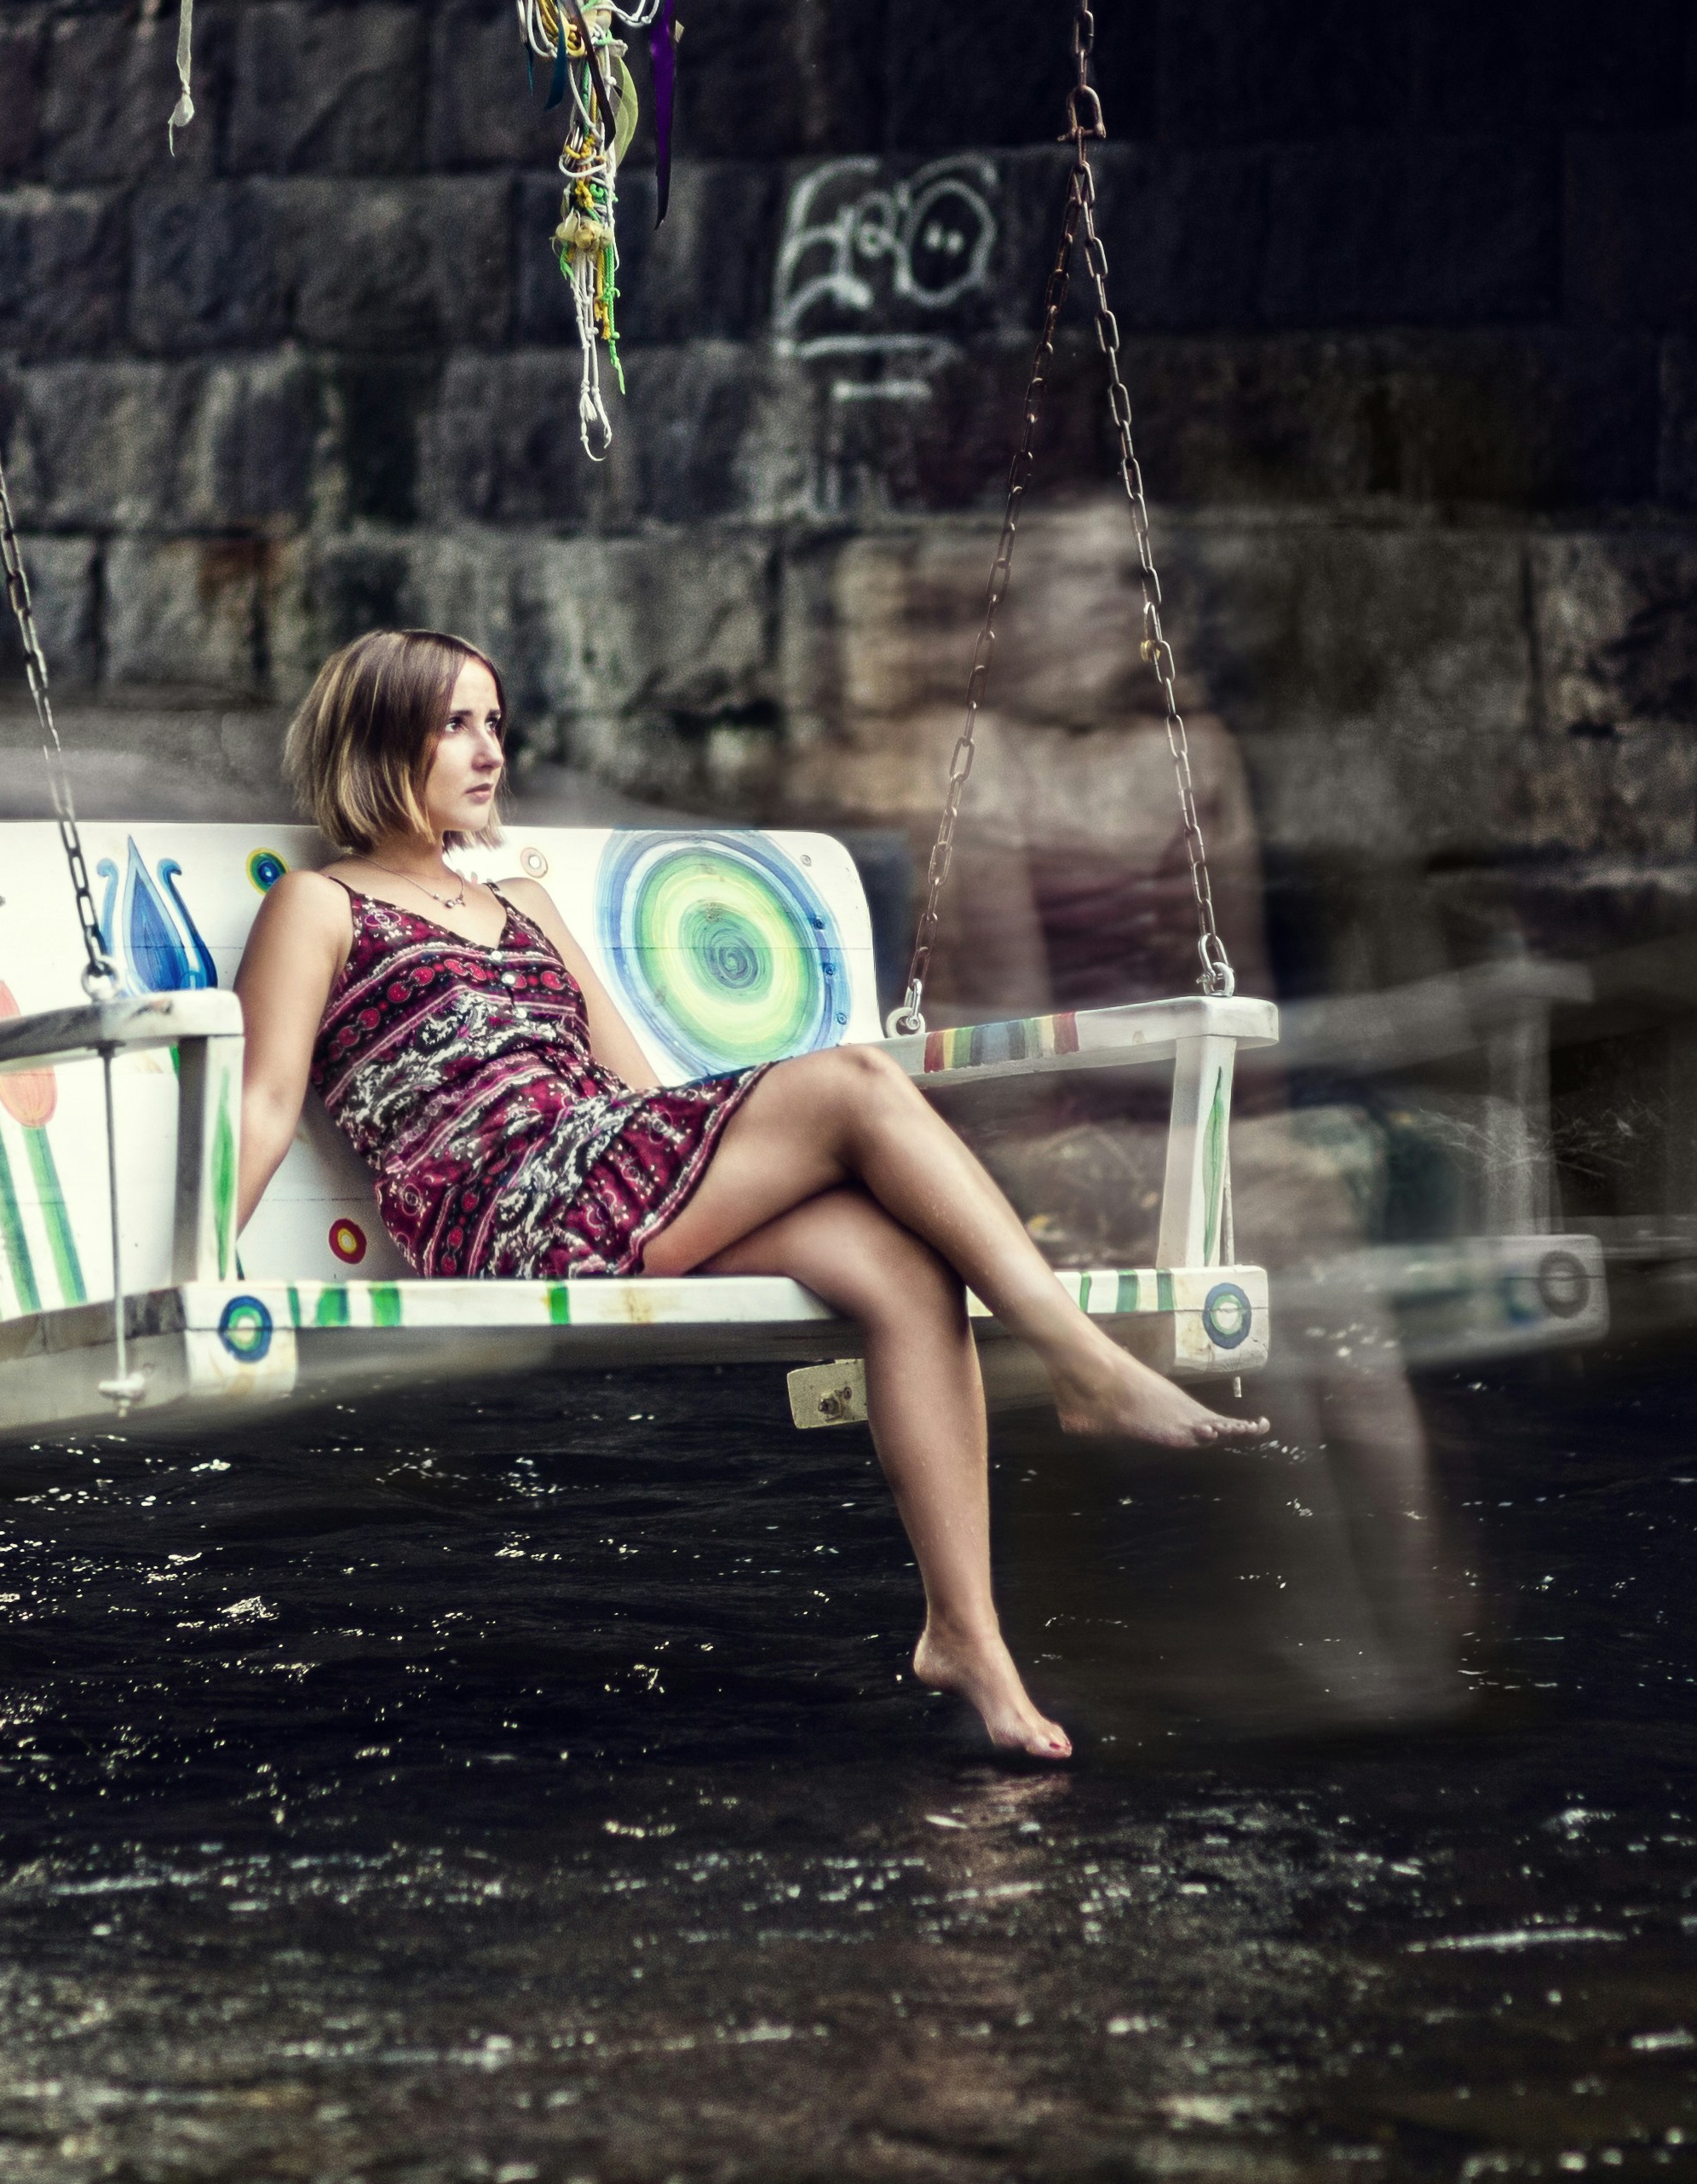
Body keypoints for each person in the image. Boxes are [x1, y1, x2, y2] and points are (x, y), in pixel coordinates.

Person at [230, 626, 1266, 1762]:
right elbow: (265, 1101)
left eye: (495, 723)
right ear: (381, 739)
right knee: (857, 1082)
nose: (490, 752)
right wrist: (190, 1268)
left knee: (900, 1265)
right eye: (454, 725)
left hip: (608, 1171)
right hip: (507, 1213)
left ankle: (965, 1636)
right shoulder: (320, 906)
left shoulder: (519, 900)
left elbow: (634, 1091)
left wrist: (738, 1153)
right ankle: (1086, 1364)